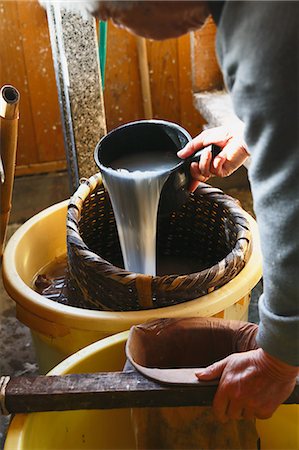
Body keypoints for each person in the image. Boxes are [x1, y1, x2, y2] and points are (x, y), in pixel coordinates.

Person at [77, 0, 299, 422]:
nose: (118, 25)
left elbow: (293, 198)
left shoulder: (262, 27)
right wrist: (256, 126)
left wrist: (279, 359)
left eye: (110, 14)